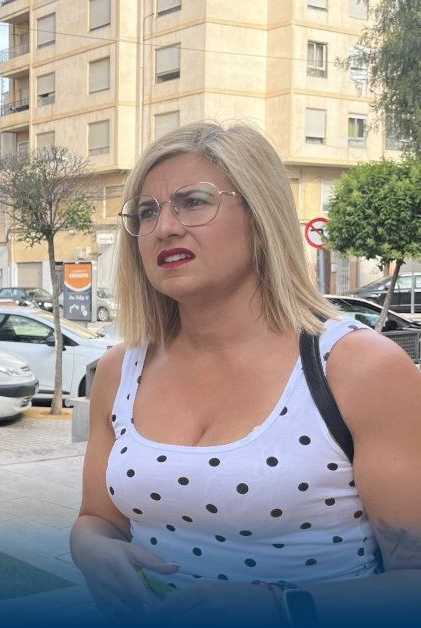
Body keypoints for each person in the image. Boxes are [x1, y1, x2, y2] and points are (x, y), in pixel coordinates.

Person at [70, 122, 421, 626]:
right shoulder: (119, 370)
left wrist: (284, 607)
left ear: (260, 218)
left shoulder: (360, 369)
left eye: (193, 202)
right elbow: (97, 520)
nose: (164, 227)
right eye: (146, 211)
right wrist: (90, 548)